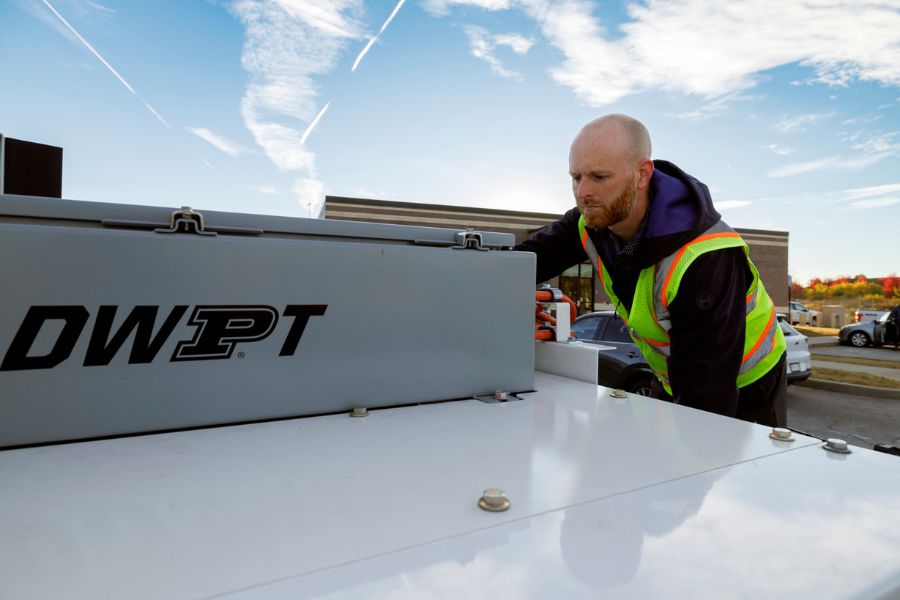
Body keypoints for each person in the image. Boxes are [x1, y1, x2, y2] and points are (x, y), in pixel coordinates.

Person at [516, 114, 787, 426]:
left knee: (733, 465)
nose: (583, 192)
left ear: (642, 174)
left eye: (599, 177)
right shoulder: (589, 221)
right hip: (675, 374)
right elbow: (519, 265)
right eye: (576, 177)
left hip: (750, 382)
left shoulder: (704, 257)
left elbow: (707, 405)